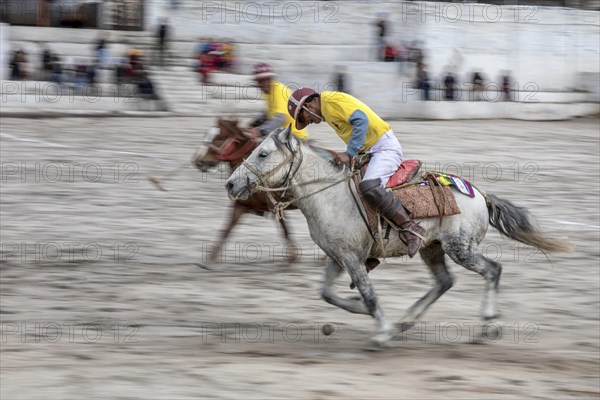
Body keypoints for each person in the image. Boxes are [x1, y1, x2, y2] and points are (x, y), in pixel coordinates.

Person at [287, 88, 425, 257]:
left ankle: (411, 228)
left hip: (384, 149)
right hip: (370, 152)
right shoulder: (328, 109)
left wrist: (350, 152)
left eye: (305, 118)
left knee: (369, 186)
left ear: (308, 105)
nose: (310, 123)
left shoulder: (331, 102)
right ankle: (368, 247)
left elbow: (361, 120)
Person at [247, 63, 308, 141]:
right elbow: (268, 112)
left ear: (271, 80)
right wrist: (253, 124)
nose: (263, 84)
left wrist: (260, 131)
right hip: (281, 134)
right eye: (260, 81)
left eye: (266, 80)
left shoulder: (280, 91)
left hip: (294, 136)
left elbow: (280, 119)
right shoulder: (267, 91)